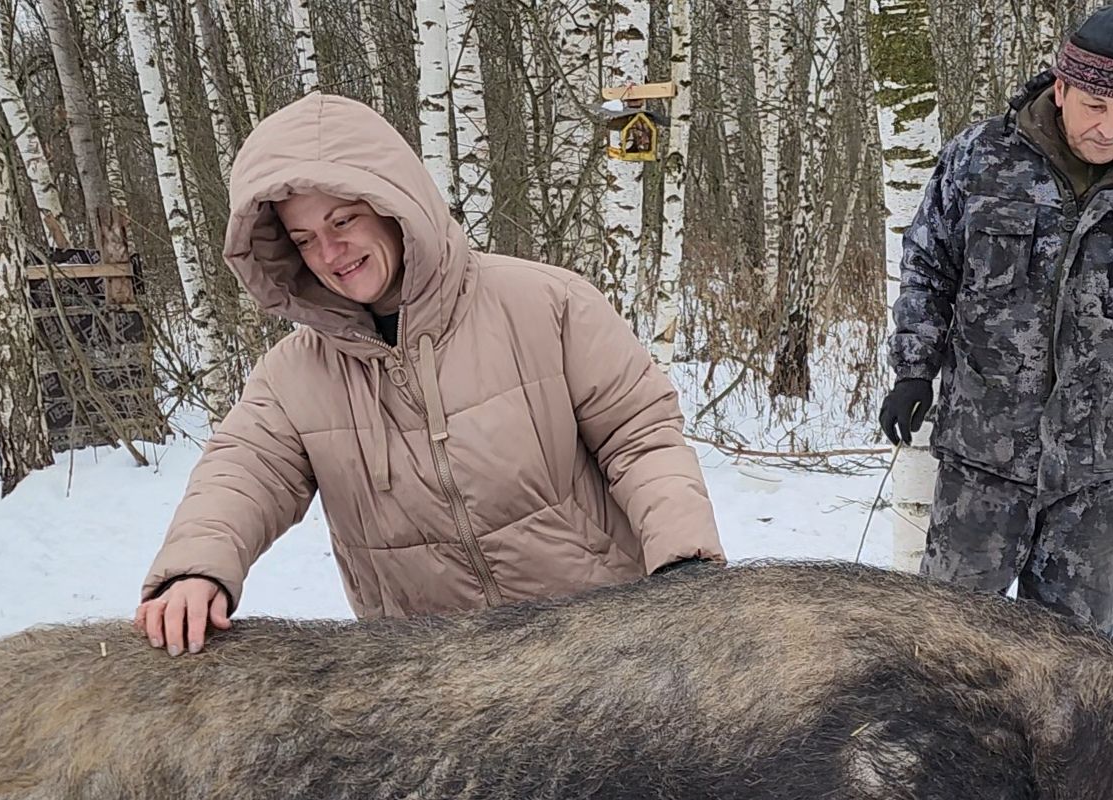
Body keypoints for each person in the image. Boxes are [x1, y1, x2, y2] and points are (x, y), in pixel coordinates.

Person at [135, 93, 724, 654]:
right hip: (434, 682)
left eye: (343, 221)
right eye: (305, 239)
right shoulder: (294, 375)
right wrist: (196, 569)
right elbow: (243, 472)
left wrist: (683, 563)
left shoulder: (547, 304)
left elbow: (640, 440)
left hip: (599, 645)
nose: (331, 253)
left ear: (394, 205)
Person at [877, 3, 1113, 635]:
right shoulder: (981, 160)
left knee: (1075, 660)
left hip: (1097, 474)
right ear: (1061, 88)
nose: (1110, 128)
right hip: (983, 456)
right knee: (947, 645)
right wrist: (914, 370)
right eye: (1095, 106)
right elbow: (928, 268)